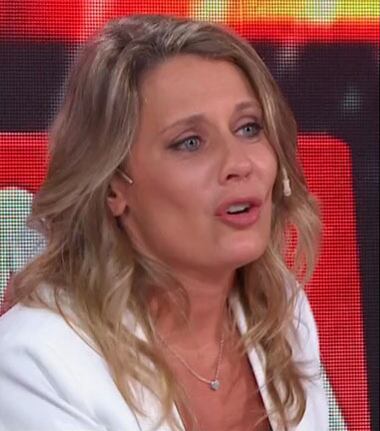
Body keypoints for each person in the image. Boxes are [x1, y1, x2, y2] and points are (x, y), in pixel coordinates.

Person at [0, 14, 327, 431]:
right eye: (190, 142)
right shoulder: (37, 362)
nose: (239, 163)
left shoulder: (281, 310)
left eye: (248, 128)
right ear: (114, 186)